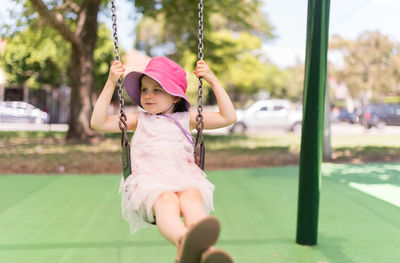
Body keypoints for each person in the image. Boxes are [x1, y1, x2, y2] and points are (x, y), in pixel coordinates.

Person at [91, 56, 237, 263]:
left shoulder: (188, 118)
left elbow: (228, 117)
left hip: (185, 178)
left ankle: (205, 251)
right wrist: (110, 83)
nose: (148, 95)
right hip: (150, 183)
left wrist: (213, 80)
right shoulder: (137, 119)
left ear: (176, 97)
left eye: (157, 90)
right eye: (144, 89)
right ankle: (183, 241)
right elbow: (98, 123)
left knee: (192, 196)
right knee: (166, 200)